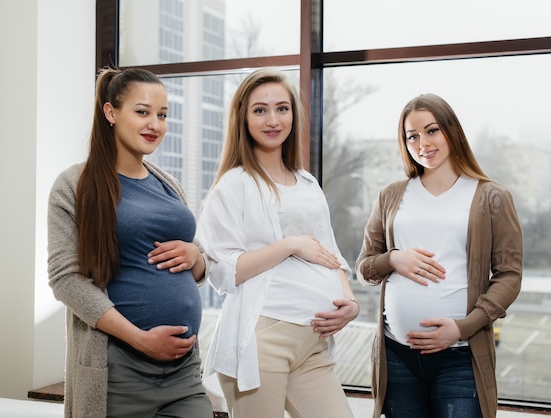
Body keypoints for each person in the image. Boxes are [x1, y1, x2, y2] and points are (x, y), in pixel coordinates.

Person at [47, 67, 213, 418]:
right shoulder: (75, 184)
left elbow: (192, 262)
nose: (155, 124)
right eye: (142, 112)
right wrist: (140, 339)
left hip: (183, 372)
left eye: (162, 115)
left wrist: (197, 256)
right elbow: (65, 281)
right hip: (119, 371)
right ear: (111, 113)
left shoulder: (167, 184)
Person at [196, 68, 358, 418]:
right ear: (243, 117)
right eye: (260, 110)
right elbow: (224, 271)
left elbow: (330, 253)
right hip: (262, 340)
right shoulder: (233, 185)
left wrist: (350, 301)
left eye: (282, 108)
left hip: (312, 342)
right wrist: (290, 245)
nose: (273, 119)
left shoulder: (307, 183)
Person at [356, 93, 523, 418]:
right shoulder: (390, 196)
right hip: (397, 356)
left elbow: (509, 275)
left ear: (451, 130)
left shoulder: (491, 197)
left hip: (460, 357)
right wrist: (393, 259)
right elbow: (364, 267)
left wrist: (462, 328)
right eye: (412, 136)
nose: (422, 143)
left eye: (432, 131)